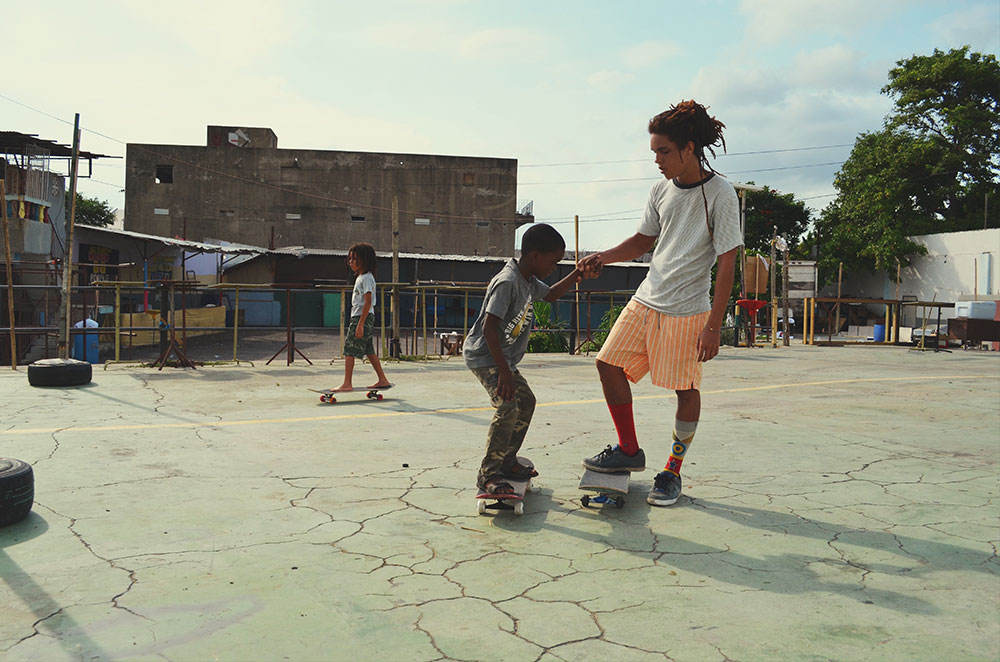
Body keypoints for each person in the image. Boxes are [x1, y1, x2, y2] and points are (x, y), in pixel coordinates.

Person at [579, 100, 742, 507]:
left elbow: (727, 262)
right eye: (653, 152)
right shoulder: (659, 190)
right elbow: (642, 241)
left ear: (689, 148)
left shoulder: (721, 195)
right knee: (606, 363)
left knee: (685, 390)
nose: (657, 160)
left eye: (663, 152)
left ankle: (671, 472)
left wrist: (713, 326)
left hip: (689, 311)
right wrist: (604, 256)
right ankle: (629, 450)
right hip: (647, 299)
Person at [464, 224, 585, 497]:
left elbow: (552, 294)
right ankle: (489, 474)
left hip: (502, 359)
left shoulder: (528, 280)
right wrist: (505, 373)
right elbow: (489, 328)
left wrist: (578, 274)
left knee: (526, 402)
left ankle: (507, 460)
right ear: (534, 256)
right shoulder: (508, 281)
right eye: (553, 261)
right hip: (486, 356)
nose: (554, 267)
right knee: (507, 407)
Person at [334, 242, 392, 392]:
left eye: (354, 259)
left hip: (361, 317)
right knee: (369, 349)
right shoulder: (362, 277)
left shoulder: (366, 278)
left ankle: (347, 383)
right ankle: (383, 379)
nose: (350, 262)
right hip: (363, 317)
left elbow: (367, 302)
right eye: (350, 259)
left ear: (364, 260)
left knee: (349, 348)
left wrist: (360, 324)